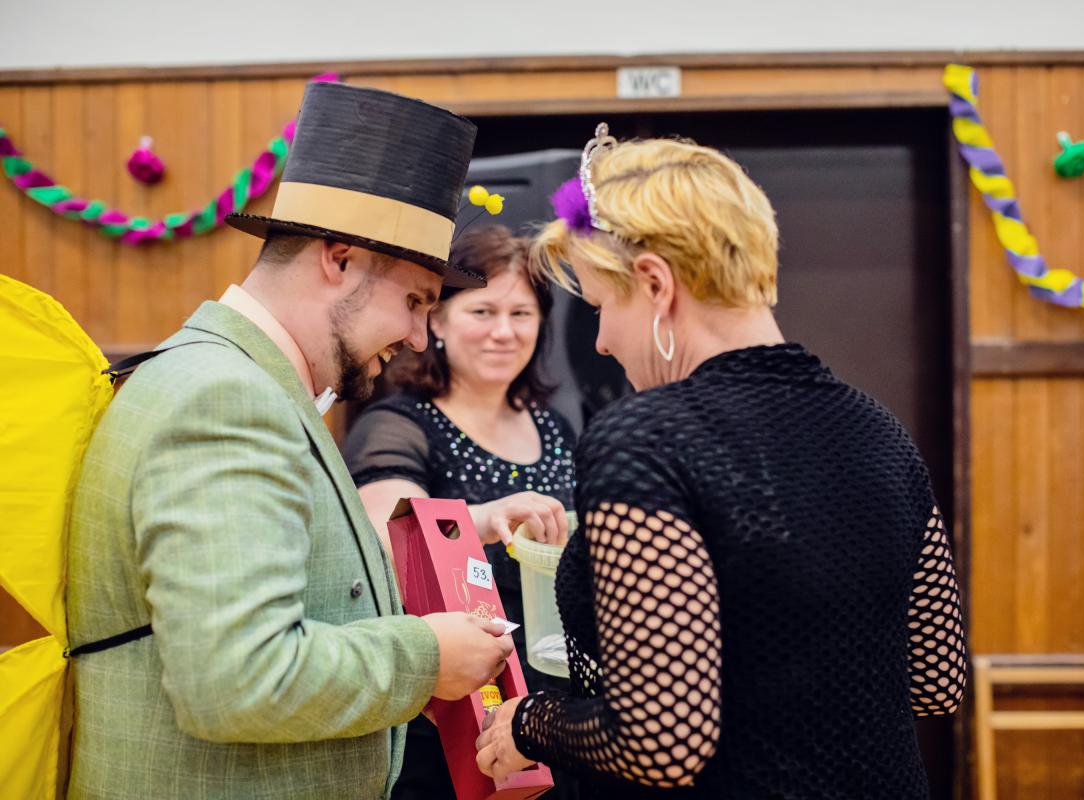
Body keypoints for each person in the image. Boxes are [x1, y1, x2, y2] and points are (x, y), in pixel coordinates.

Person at [474, 127, 967, 799]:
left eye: (601, 307)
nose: (603, 341)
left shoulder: (646, 442)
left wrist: (531, 722)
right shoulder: (877, 429)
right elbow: (936, 680)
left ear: (655, 284)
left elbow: (663, 744)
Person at [66, 81, 513, 800]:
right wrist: (425, 658)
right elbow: (239, 681)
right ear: (339, 259)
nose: (416, 338)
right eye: (414, 301)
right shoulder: (226, 399)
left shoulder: (241, 383)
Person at [342, 224, 576, 799]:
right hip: (455, 705)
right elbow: (385, 534)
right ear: (439, 321)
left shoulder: (553, 428)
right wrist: (487, 515)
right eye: (483, 311)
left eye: (521, 314)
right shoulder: (397, 423)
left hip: (552, 703)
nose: (504, 331)